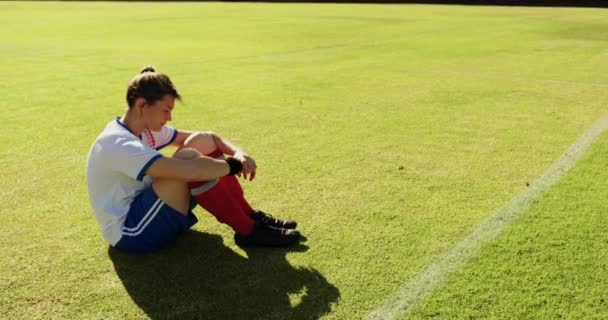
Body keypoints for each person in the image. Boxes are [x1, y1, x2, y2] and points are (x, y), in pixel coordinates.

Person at [86, 66, 301, 252]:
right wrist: (233, 166)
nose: (169, 117)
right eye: (166, 110)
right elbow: (190, 172)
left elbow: (209, 138)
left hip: (151, 206)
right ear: (142, 105)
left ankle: (250, 217)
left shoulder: (144, 128)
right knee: (189, 160)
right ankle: (247, 231)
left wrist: (239, 153)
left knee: (200, 141)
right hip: (131, 232)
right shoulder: (117, 143)